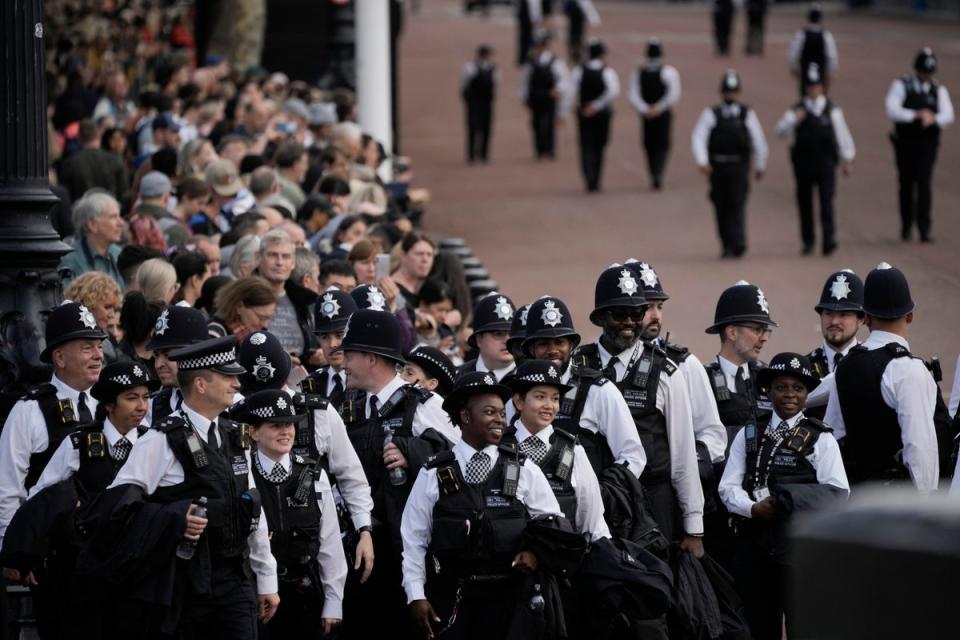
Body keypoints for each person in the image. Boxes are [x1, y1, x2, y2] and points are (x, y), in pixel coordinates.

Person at [103, 335, 279, 638]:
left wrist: (267, 579)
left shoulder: (236, 436)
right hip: (183, 583)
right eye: (227, 376)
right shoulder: (159, 440)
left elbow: (253, 509)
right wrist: (174, 516)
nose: (237, 384)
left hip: (235, 579)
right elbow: (117, 509)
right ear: (200, 384)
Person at [400, 371, 563, 640]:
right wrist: (416, 595)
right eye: (490, 412)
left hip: (511, 603)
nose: (500, 420)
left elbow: (554, 524)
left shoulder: (524, 469)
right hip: (452, 600)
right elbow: (414, 540)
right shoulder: (433, 473)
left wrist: (535, 553)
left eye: (502, 412)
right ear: (465, 416)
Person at [2, 361, 158, 640]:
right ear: (109, 404)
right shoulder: (79, 443)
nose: (141, 407)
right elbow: (42, 498)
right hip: (83, 574)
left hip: (137, 573)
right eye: (131, 398)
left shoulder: (156, 443)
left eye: (146, 397)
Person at [333, 309, 460, 640]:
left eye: (349, 353)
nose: (342, 362)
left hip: (409, 554)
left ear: (372, 358)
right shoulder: (351, 406)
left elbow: (464, 459)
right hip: (363, 549)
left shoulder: (424, 404)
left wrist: (413, 451)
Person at [574, 265, 704, 551]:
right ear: (600, 318)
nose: (630, 322)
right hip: (594, 505)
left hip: (651, 505)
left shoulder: (667, 373)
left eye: (637, 314)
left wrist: (694, 528)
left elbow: (683, 456)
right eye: (620, 314)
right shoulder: (575, 366)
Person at [719, 353, 848, 640]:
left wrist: (785, 501)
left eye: (798, 388)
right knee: (758, 625)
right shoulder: (749, 433)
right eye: (781, 387)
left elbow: (839, 494)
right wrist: (752, 508)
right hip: (755, 547)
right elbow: (728, 487)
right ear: (769, 390)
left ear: (806, 394)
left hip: (800, 550)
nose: (790, 394)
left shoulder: (821, 438)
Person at [233, 389, 347, 638]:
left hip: (304, 593)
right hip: (254, 596)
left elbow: (330, 544)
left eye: (290, 425)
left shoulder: (314, 475)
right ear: (253, 432)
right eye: (276, 426)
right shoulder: (241, 475)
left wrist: (333, 601)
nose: (286, 432)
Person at [824, 263, 939, 491]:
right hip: (899, 502)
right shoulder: (909, 369)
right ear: (910, 316)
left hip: (855, 499)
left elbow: (832, 435)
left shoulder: (846, 365)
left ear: (865, 317)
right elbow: (919, 449)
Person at [0, 302, 106, 546]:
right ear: (59, 357)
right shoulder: (29, 410)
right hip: (54, 548)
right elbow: (9, 488)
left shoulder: (109, 404)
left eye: (99, 346)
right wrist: (13, 547)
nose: (99, 355)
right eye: (87, 348)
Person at [521, 295, 647, 481]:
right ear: (531, 349)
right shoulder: (517, 393)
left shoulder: (599, 391)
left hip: (583, 505)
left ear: (571, 346)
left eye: (560, 343)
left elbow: (633, 456)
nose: (552, 350)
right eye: (543, 343)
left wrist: (602, 492)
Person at [702, 281, 776, 569]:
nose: (764, 338)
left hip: (763, 513)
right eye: (757, 329)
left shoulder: (770, 381)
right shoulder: (702, 380)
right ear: (732, 332)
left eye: (765, 330)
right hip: (718, 514)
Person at [506, 359, 610, 542]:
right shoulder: (498, 446)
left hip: (559, 560)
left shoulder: (573, 450)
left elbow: (592, 520)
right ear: (519, 401)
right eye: (540, 397)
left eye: (555, 398)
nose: (549, 405)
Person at [776, 63, 855, 256]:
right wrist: (795, 119)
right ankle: (808, 241)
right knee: (805, 203)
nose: (813, 89)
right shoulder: (797, 109)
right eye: (810, 86)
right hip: (803, 164)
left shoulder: (832, 109)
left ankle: (829, 239)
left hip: (826, 162)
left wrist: (848, 159)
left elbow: (842, 135)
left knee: (826, 201)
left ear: (822, 87)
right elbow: (780, 131)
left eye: (816, 85)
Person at [691, 70, 768, 259]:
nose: (730, 95)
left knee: (738, 203)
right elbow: (698, 137)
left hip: (739, 167)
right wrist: (702, 161)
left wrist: (760, 164)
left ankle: (739, 241)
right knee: (721, 205)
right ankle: (726, 243)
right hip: (717, 167)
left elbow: (758, 140)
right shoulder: (711, 113)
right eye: (727, 91)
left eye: (733, 92)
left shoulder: (746, 114)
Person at [885, 47, 954, 243]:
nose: (926, 76)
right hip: (905, 144)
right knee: (906, 184)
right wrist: (915, 115)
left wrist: (932, 118)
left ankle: (924, 228)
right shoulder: (901, 85)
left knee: (924, 184)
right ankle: (906, 226)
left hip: (927, 145)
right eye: (923, 72)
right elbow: (892, 109)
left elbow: (948, 115)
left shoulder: (937, 89)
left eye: (929, 73)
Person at [803, 269, 865, 419]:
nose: (834, 322)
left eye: (844, 314)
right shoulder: (804, 366)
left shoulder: (869, 362)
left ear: (861, 319)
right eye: (828, 313)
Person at [627, 38, 681, 191]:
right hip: (663, 114)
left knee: (648, 144)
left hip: (647, 115)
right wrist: (659, 108)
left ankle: (653, 172)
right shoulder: (669, 72)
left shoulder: (639, 72)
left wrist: (645, 109)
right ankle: (658, 172)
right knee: (662, 144)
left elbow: (633, 94)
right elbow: (674, 94)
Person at [146, 305, 212, 427]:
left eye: (168, 355)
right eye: (156, 355)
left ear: (196, 353)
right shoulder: (151, 406)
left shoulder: (227, 402)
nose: (158, 364)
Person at [568, 39, 619, 193]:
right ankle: (596, 179)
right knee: (600, 146)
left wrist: (580, 106)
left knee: (585, 146)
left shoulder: (579, 70)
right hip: (602, 115)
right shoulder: (607, 71)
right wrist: (597, 105)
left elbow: (571, 91)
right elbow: (613, 91)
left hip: (584, 113)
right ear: (602, 54)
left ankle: (589, 178)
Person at [59, 191, 125, 289]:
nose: (121, 223)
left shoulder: (119, 254)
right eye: (113, 217)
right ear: (92, 225)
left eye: (119, 216)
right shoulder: (68, 259)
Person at [521, 31, 568, 160]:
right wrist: (524, 97)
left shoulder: (555, 61)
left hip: (549, 96)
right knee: (536, 122)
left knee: (549, 122)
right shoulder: (530, 62)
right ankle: (539, 150)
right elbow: (524, 80)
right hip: (535, 96)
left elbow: (564, 78)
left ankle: (550, 149)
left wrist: (557, 89)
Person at [458, 292, 517, 381]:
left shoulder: (530, 378)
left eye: (511, 333)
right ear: (479, 339)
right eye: (498, 334)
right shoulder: (457, 377)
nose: (508, 340)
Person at [787, 4, 838, 95]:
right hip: (820, 70)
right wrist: (832, 71)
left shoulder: (802, 34)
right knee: (820, 96)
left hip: (805, 69)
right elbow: (832, 55)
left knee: (806, 95)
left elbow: (793, 53)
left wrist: (793, 66)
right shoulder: (826, 35)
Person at [209, 276, 277, 341]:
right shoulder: (216, 335)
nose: (265, 324)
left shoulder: (258, 337)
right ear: (239, 306)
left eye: (268, 318)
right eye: (261, 317)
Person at [461, 45, 498, 164]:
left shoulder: (493, 68)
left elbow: (496, 84)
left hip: (487, 102)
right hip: (474, 102)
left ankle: (484, 154)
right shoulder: (470, 67)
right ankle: (471, 154)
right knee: (472, 127)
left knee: (486, 128)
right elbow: (464, 84)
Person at [564, 0, 600, 64]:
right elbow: (566, 10)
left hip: (577, 26)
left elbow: (588, 9)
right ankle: (574, 56)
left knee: (577, 41)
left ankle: (577, 56)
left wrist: (594, 19)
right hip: (574, 26)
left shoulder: (581, 3)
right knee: (574, 41)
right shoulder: (572, 3)